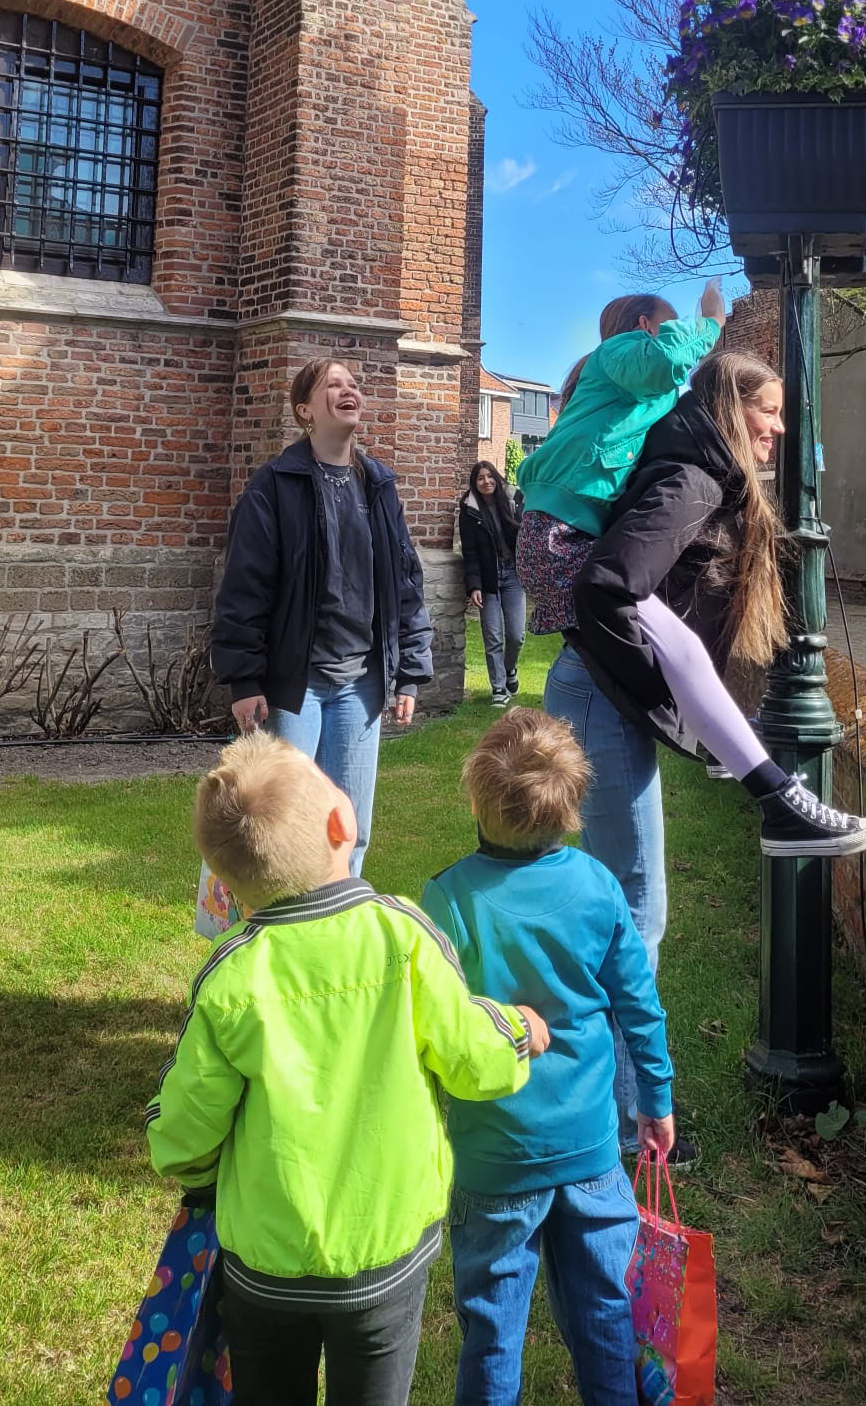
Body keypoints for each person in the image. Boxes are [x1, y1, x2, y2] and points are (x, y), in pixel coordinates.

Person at [148, 735, 551, 1406]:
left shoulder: (230, 975)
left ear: (223, 879)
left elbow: (186, 1128)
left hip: (266, 1267)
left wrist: (176, 1148)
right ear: (343, 822)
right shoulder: (404, 935)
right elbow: (471, 1058)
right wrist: (516, 1030)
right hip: (387, 1257)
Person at [421, 708, 672, 1406]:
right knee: (605, 1313)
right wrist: (656, 1099)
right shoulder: (597, 885)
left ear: (477, 798)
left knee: (492, 1331)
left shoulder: (448, 899)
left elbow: (433, 1024)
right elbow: (639, 1005)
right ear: (572, 807)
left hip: (494, 1155)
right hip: (591, 1150)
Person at [572, 350, 866, 859]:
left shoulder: (709, 480)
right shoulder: (690, 483)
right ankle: (782, 806)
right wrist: (664, 693)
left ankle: (773, 795)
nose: (780, 427)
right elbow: (606, 586)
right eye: (769, 411)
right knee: (635, 888)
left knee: (628, 885)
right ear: (730, 409)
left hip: (602, 684)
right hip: (601, 688)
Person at [210, 358, 433, 880]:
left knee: (349, 827)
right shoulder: (274, 485)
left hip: (361, 684)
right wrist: (245, 679)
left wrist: (409, 672)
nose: (348, 389)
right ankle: (287, 916)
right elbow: (244, 587)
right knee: (282, 825)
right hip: (296, 686)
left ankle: (340, 918)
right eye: (332, 384)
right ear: (305, 410)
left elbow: (406, 583)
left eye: (353, 383)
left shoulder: (379, 486)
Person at [514, 286, 724, 637]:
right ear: (644, 325)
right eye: (670, 324)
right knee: (620, 636)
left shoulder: (629, 382)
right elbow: (667, 359)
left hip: (566, 525)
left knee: (602, 641)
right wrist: (711, 322)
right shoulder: (620, 349)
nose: (677, 331)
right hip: (559, 529)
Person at [459, 460, 526, 705]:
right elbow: (469, 552)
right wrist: (474, 585)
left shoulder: (513, 501)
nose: (486, 481)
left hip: (513, 575)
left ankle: (510, 669)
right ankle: (498, 688)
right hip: (488, 578)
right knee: (493, 635)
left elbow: (527, 536)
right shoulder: (469, 511)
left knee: (516, 634)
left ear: (496, 478)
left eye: (489, 476)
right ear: (474, 483)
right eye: (480, 478)